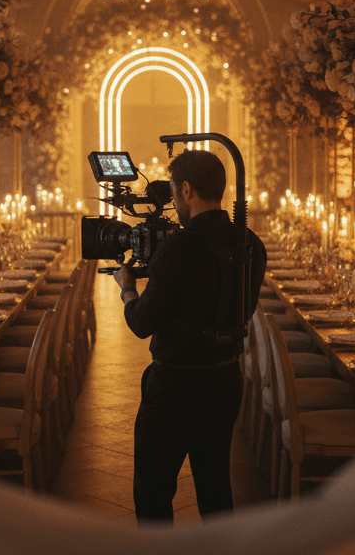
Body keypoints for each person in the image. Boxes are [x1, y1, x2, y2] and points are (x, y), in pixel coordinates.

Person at [115, 149, 267, 524]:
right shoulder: (251, 244)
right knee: (216, 489)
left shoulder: (177, 248)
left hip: (175, 384)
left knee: (153, 491)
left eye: (172, 190)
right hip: (225, 380)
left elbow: (140, 323)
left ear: (186, 189)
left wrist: (127, 288)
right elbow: (241, 310)